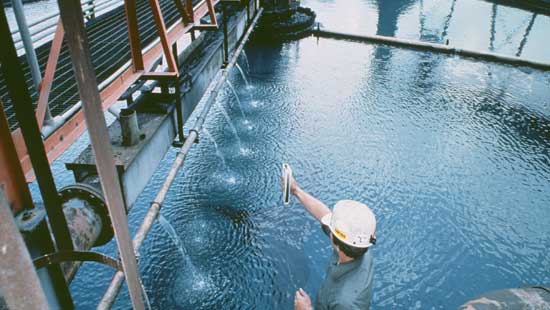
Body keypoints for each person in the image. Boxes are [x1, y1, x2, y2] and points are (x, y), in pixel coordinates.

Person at [285, 173, 377, 310]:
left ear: (335, 240)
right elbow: (324, 215)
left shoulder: (345, 303)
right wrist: (296, 190)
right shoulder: (359, 249)